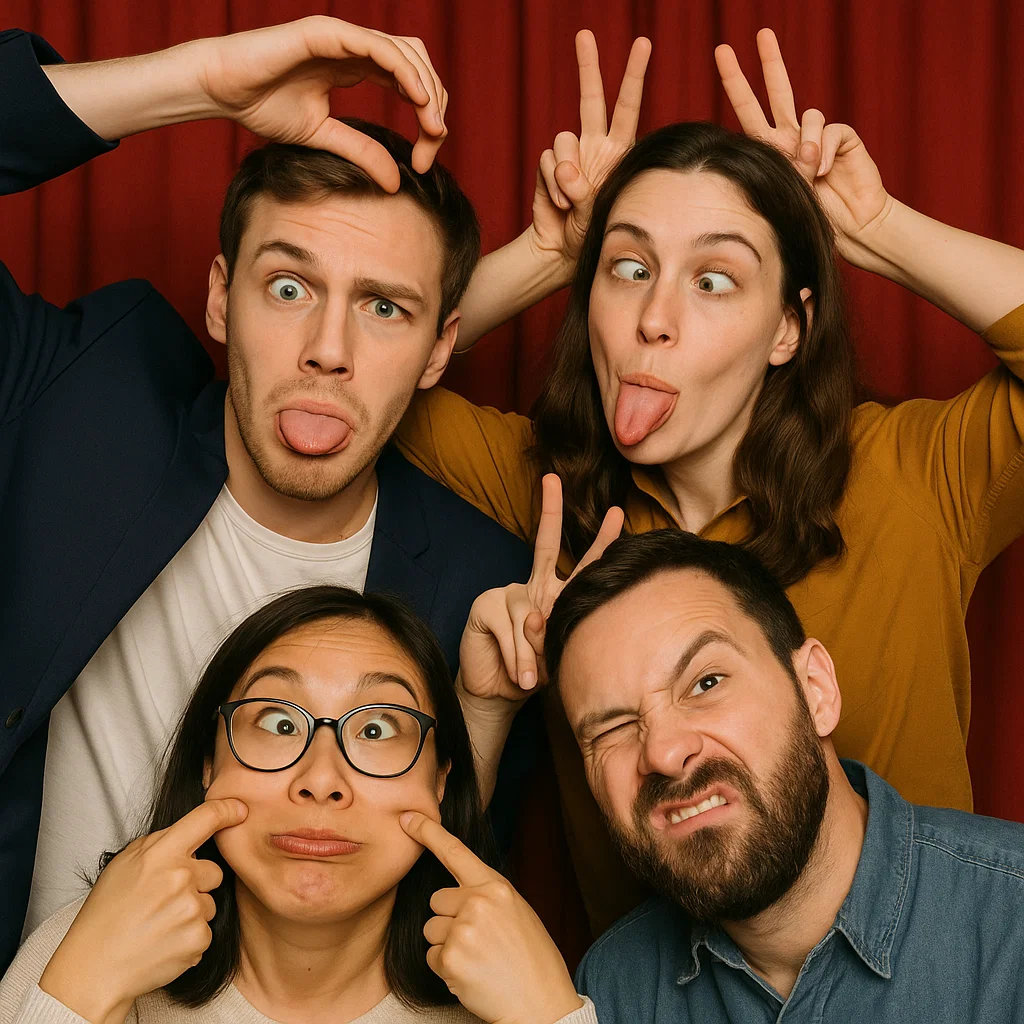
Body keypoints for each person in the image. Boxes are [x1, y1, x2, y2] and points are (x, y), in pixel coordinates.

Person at [1, 13, 650, 964]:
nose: (329, 352)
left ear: (441, 348)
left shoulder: (479, 586)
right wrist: (199, 82)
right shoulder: (82, 401)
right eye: (290, 288)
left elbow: (435, 935)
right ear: (220, 295)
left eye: (383, 308)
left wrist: (481, 715)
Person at [393, 29, 1024, 935]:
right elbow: (364, 387)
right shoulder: (547, 493)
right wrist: (545, 251)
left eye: (715, 280)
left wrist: (878, 232)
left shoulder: (912, 476)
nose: (654, 319)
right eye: (630, 268)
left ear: (787, 330)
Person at [0, 586, 600, 1024]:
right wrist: (81, 988)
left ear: (439, 783)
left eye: (376, 730)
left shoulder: (518, 994)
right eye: (281, 723)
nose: (321, 780)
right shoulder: (80, 947)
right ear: (209, 766)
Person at [539, 529, 1024, 1022]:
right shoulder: (612, 986)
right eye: (614, 729)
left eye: (706, 683)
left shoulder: (1014, 920)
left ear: (816, 690)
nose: (662, 752)